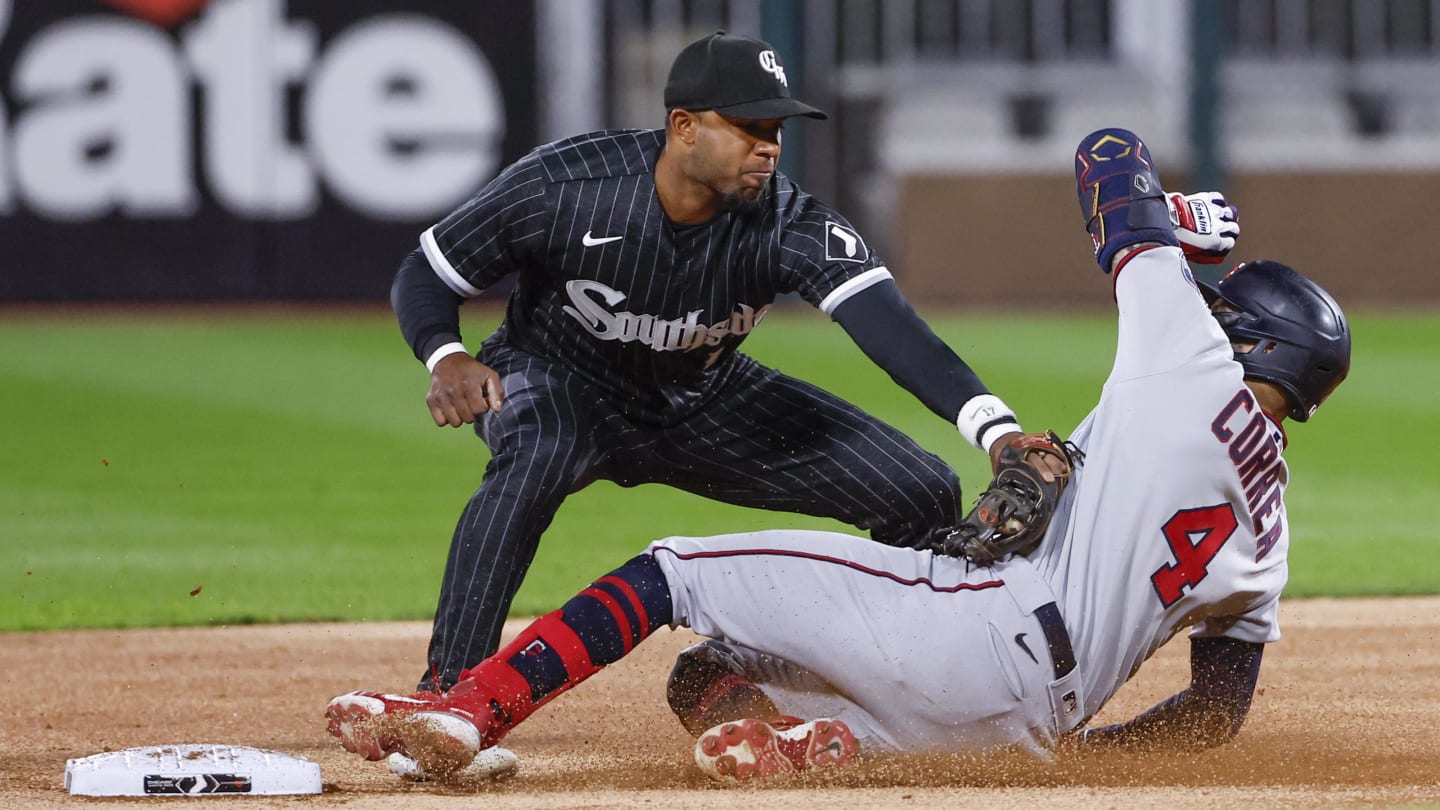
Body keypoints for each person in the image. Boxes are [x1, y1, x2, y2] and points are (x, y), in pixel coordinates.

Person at [325, 125, 1349, 783]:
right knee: (708, 676)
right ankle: (797, 746)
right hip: (1024, 725)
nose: (1208, 316)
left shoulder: (1187, 356)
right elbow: (1215, 716)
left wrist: (1175, 229)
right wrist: (1082, 760)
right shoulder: (1269, 529)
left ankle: (468, 712)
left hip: (974, 626)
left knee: (672, 571)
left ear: (1250, 344)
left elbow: (1109, 153)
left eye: (1226, 317)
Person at [394, 29, 1046, 704]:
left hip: (697, 393)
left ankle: (900, 682)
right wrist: (447, 355)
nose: (768, 145)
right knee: (540, 449)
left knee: (920, 489)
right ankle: (446, 695)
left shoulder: (788, 222)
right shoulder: (572, 184)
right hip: (556, 378)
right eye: (747, 126)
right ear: (683, 126)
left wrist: (996, 430)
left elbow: (894, 330)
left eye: (777, 128)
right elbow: (428, 270)